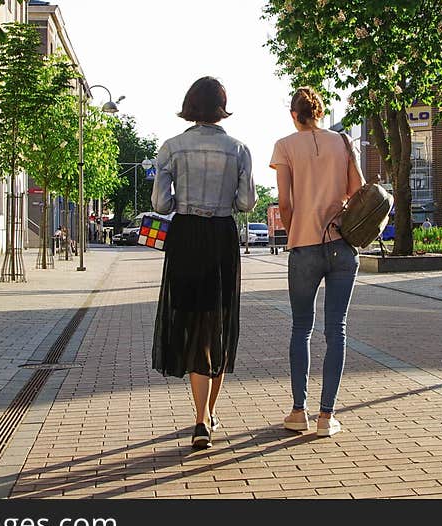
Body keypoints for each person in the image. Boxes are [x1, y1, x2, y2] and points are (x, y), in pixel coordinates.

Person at [151, 76, 256, 450]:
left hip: (186, 237)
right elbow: (246, 204)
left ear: (190, 105)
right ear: (221, 107)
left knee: (192, 319)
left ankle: (199, 419)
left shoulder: (171, 148)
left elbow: (161, 206)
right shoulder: (239, 148)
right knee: (219, 320)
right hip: (220, 237)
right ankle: (208, 414)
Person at [270, 86, 363, 438]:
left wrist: (296, 235)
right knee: (336, 329)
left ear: (294, 114)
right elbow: (357, 191)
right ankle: (327, 417)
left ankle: (298, 411)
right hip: (342, 244)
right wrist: (349, 156)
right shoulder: (341, 142)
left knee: (300, 329)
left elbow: (285, 201)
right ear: (320, 112)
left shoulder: (284, 146)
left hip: (304, 247)